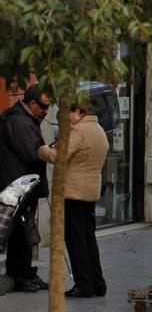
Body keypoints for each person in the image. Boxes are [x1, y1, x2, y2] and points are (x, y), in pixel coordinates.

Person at [37, 101, 109, 298]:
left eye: (66, 113)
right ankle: (97, 283)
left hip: (73, 192)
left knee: (75, 240)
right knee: (88, 238)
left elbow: (57, 157)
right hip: (90, 191)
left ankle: (83, 284)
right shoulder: (99, 130)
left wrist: (42, 150)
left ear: (77, 111)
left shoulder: (78, 132)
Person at [0, 86, 51, 292]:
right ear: (32, 103)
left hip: (22, 186)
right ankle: (19, 276)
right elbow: (33, 153)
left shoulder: (22, 119)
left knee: (25, 232)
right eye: (44, 106)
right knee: (21, 234)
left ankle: (25, 272)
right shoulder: (19, 121)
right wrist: (52, 150)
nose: (47, 111)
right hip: (18, 187)